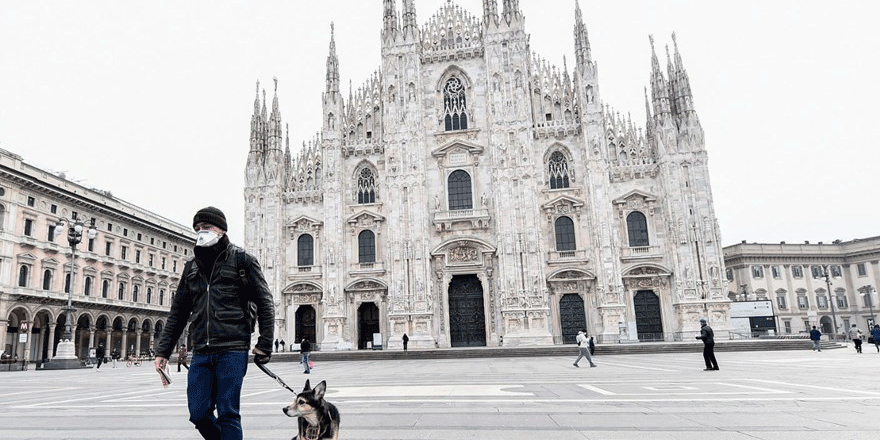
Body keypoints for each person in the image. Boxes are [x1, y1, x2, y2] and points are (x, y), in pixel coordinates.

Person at [154, 206, 275, 440]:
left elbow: (265, 302)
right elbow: (178, 312)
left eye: (207, 227)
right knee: (198, 413)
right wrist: (163, 351)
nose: (201, 232)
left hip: (232, 348)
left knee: (228, 412)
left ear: (221, 230)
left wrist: (265, 343)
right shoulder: (191, 267)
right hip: (201, 350)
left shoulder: (242, 260)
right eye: (198, 228)